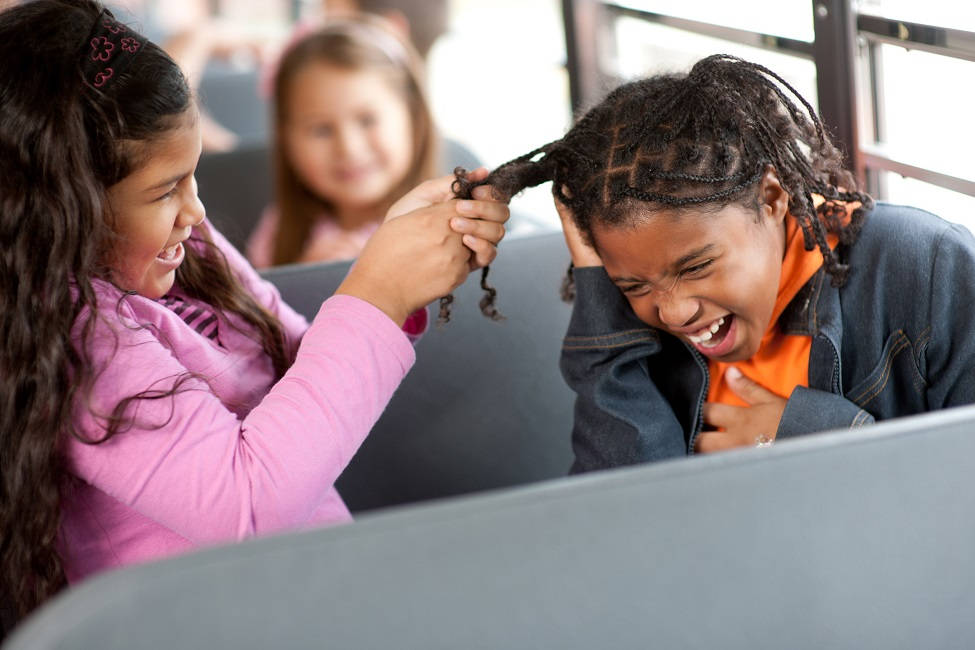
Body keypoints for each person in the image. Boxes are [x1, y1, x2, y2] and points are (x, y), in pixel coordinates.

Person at [0, 0, 508, 623]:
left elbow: (298, 361)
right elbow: (248, 507)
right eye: (164, 191)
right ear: (63, 208)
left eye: (192, 178)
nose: (195, 210)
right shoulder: (77, 334)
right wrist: (375, 295)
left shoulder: (187, 245)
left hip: (317, 598)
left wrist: (395, 262)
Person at [456, 54, 975, 473]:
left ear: (771, 199)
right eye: (634, 284)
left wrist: (811, 439)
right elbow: (622, 520)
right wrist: (598, 288)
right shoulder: (638, 314)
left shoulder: (925, 267)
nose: (674, 312)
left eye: (697, 266)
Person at [247, 17, 437, 267]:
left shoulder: (448, 230)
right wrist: (305, 281)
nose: (349, 148)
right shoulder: (275, 234)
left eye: (368, 120)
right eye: (321, 130)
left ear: (413, 117)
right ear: (286, 138)